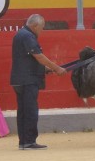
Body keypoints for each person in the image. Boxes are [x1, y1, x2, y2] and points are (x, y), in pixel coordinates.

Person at [10, 14, 66, 150]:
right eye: (41, 28)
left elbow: (29, 60)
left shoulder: (21, 34)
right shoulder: (28, 36)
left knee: (23, 111)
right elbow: (39, 56)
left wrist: (46, 69)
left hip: (19, 79)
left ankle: (23, 141)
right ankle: (29, 141)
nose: (41, 31)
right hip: (28, 80)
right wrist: (56, 68)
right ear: (35, 26)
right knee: (30, 111)